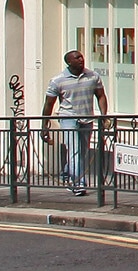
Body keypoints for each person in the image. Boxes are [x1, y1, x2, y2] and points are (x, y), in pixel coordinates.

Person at [41, 48, 107, 197]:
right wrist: (44, 126)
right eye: (77, 58)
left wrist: (104, 116)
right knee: (74, 151)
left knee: (82, 152)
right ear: (69, 62)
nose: (81, 60)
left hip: (87, 118)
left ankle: (66, 173)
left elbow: (101, 96)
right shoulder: (57, 80)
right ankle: (78, 184)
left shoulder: (93, 76)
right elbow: (48, 104)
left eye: (81, 57)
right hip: (68, 118)